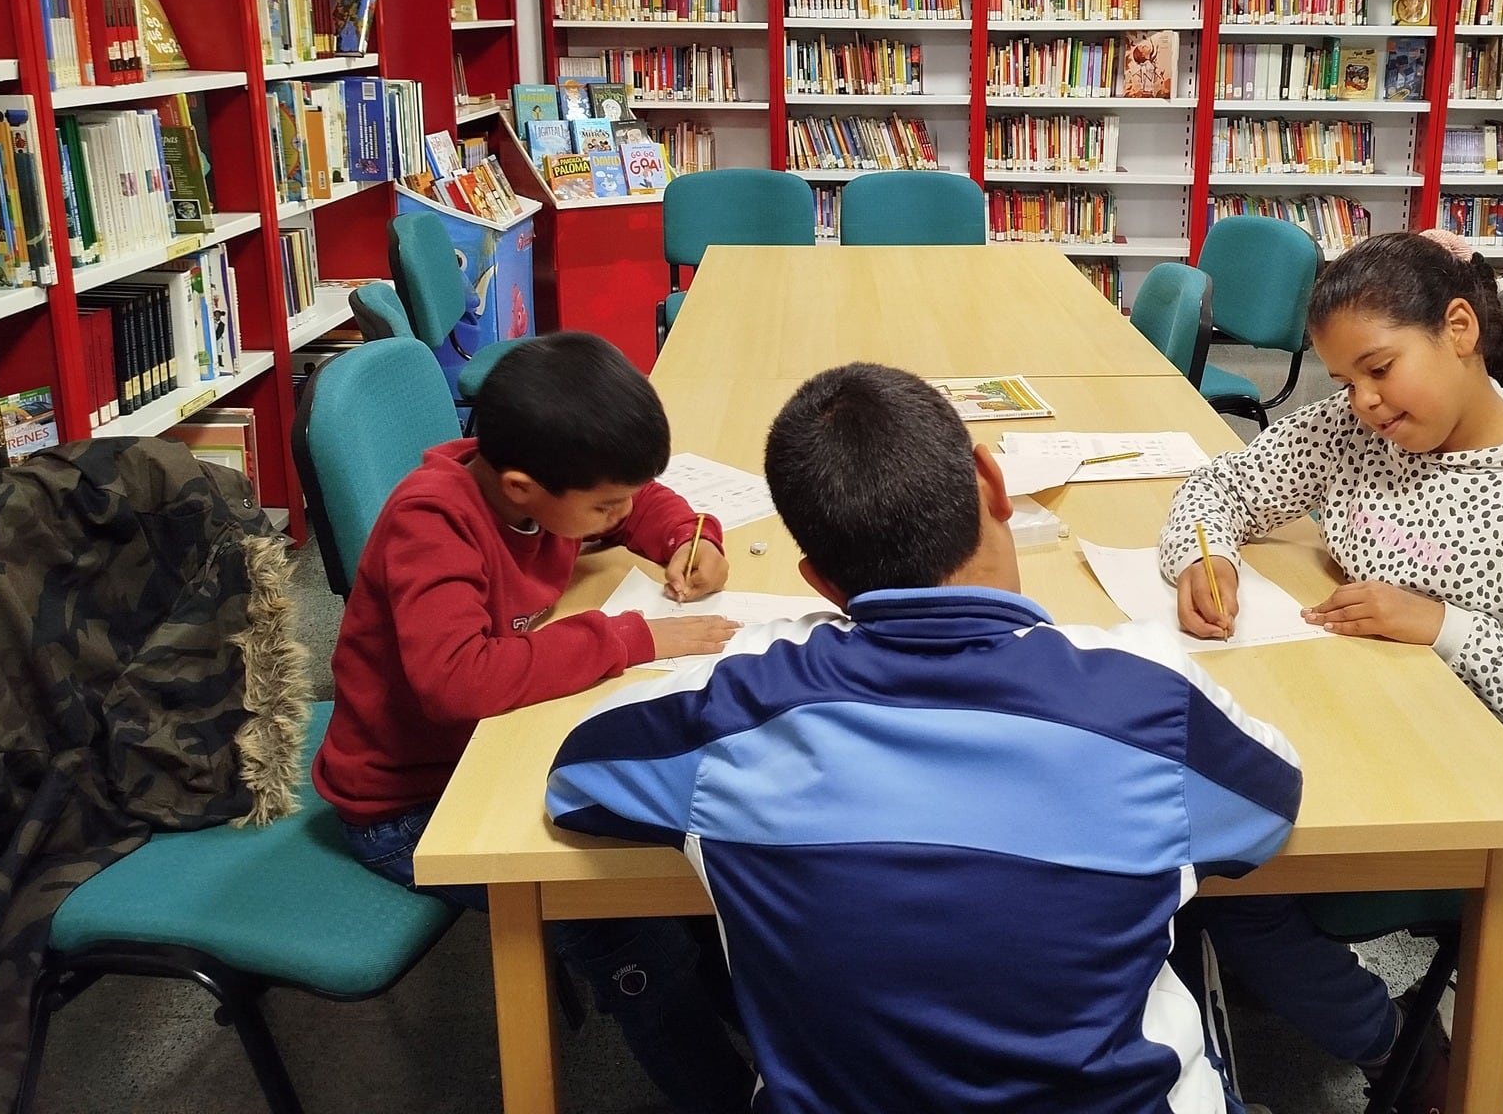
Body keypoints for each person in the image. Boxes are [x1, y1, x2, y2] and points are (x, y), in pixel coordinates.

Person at [547, 362, 1302, 1114]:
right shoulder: (1146, 691)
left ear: (818, 583)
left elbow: (574, 778)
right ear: (993, 483)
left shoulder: (738, 712)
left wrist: (775, 646)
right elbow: (1268, 810)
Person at [1159, 229, 1503, 1111]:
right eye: (1345, 381)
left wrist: (1443, 628)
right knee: (1174, 809)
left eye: (1380, 368)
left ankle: (1392, 1040)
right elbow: (1220, 484)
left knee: (1226, 867)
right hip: (1351, 707)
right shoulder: (1355, 434)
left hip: (1465, 776)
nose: (1365, 403)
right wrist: (1205, 554)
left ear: (1458, 327)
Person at [312, 331, 753, 1114]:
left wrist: (692, 540)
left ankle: (750, 1028)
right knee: (628, 924)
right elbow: (458, 681)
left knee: (688, 870)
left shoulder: (551, 480)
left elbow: (641, 500)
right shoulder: (432, 522)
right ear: (521, 488)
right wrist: (625, 638)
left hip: (493, 753)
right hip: (411, 807)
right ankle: (724, 1093)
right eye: (603, 506)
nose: (618, 514)